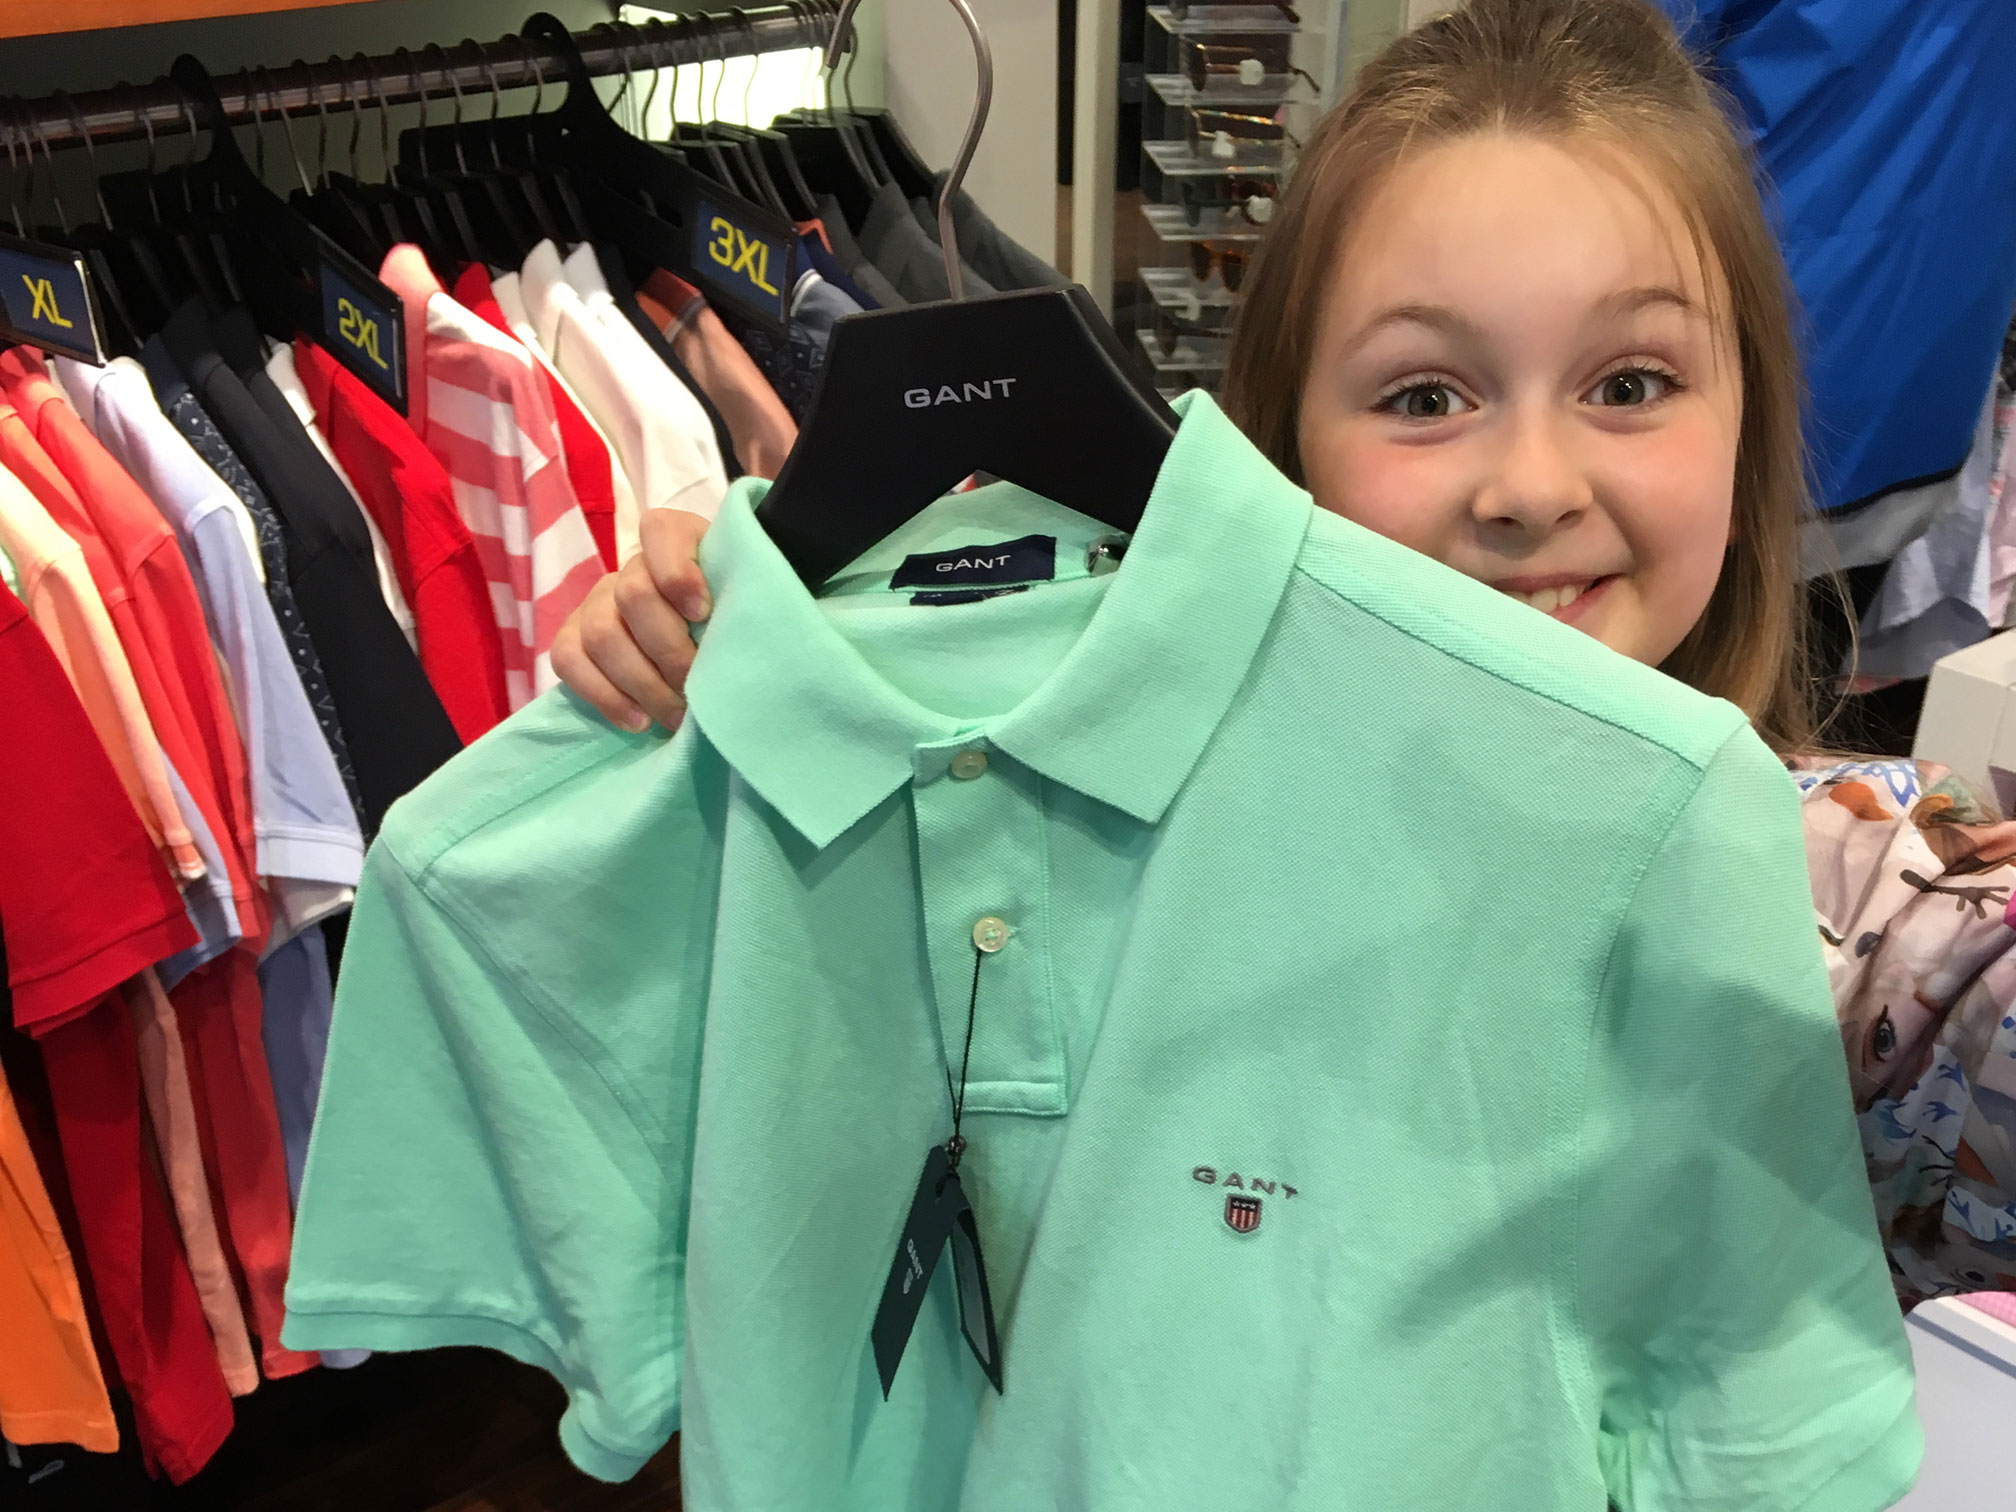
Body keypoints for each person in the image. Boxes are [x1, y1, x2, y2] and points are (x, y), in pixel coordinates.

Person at [550, 0, 2016, 1306]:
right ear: (1283, 454)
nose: (1530, 486)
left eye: (1630, 382)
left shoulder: (1843, 898)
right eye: (1425, 396)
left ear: (1748, 415)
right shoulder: (1118, 816)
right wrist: (717, 682)